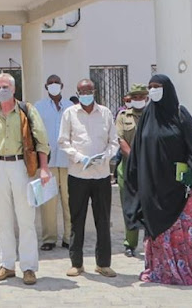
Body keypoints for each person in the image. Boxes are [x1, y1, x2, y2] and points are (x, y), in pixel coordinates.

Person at [124, 74, 192, 286]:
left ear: (167, 89)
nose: (153, 90)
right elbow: (137, 151)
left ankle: (180, 269)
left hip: (179, 187)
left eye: (157, 86)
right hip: (153, 187)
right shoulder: (146, 117)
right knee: (158, 232)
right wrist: (135, 180)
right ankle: (159, 270)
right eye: (150, 86)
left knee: (181, 233)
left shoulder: (180, 115)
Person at [0, 72, 50, 286]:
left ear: (14, 88)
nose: (2, 90)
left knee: (26, 218)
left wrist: (44, 169)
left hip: (21, 166)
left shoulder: (27, 110)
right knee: (3, 218)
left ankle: (28, 267)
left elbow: (41, 140)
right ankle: (7, 265)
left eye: (5, 86)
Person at [58, 78, 119, 278]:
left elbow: (114, 142)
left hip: (101, 175)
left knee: (103, 220)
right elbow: (63, 141)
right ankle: (76, 263)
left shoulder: (106, 113)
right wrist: (78, 157)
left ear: (95, 91)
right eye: (82, 91)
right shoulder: (69, 113)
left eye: (89, 91)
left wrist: (105, 157)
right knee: (77, 220)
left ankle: (103, 263)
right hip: (78, 175)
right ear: (77, 92)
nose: (86, 94)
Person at [34, 74, 74, 251]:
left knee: (69, 201)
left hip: (68, 161)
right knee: (48, 202)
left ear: (62, 85)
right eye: (50, 83)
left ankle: (69, 237)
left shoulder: (71, 107)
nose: (53, 85)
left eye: (56, 82)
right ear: (45, 86)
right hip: (47, 163)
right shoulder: (39, 107)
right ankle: (49, 238)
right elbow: (34, 132)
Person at [115, 83, 148, 257]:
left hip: (149, 168)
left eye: (141, 97)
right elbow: (120, 140)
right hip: (128, 168)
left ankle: (150, 241)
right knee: (130, 206)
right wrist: (135, 159)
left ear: (146, 98)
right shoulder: (123, 116)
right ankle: (130, 243)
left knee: (149, 205)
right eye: (135, 97)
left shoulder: (153, 115)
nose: (138, 100)